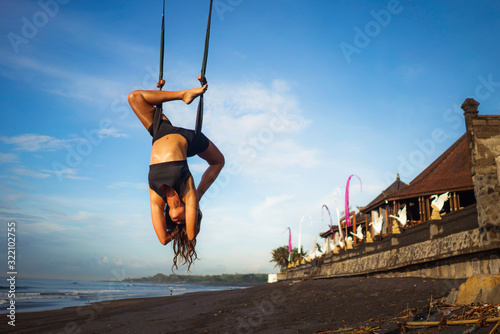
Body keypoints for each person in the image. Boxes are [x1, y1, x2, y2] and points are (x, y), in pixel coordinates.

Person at [128, 83, 224, 270]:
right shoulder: (187, 191)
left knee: (134, 97)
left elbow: (163, 239)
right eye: (182, 222)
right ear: (192, 213)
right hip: (189, 139)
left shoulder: (157, 197)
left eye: (173, 222)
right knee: (218, 161)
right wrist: (195, 198)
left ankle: (180, 95)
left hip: (161, 132)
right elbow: (191, 236)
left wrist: (174, 232)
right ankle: (183, 94)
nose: (177, 221)